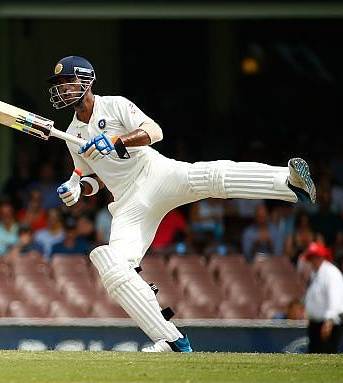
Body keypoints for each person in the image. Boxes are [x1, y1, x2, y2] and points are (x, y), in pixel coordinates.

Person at [47, 55, 317, 353]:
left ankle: (289, 183)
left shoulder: (115, 105)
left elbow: (155, 132)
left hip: (157, 173)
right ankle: (171, 339)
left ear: (86, 81)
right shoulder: (72, 134)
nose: (62, 88)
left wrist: (117, 140)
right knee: (112, 266)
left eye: (67, 81)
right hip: (128, 203)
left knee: (213, 175)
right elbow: (93, 178)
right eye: (59, 84)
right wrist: (77, 188)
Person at [301, 241, 343, 353]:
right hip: (316, 323)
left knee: (326, 353)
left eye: (313, 257)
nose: (311, 261)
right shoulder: (316, 273)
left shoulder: (331, 273)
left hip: (329, 323)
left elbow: (334, 298)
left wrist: (329, 321)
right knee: (315, 354)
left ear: (320, 257)